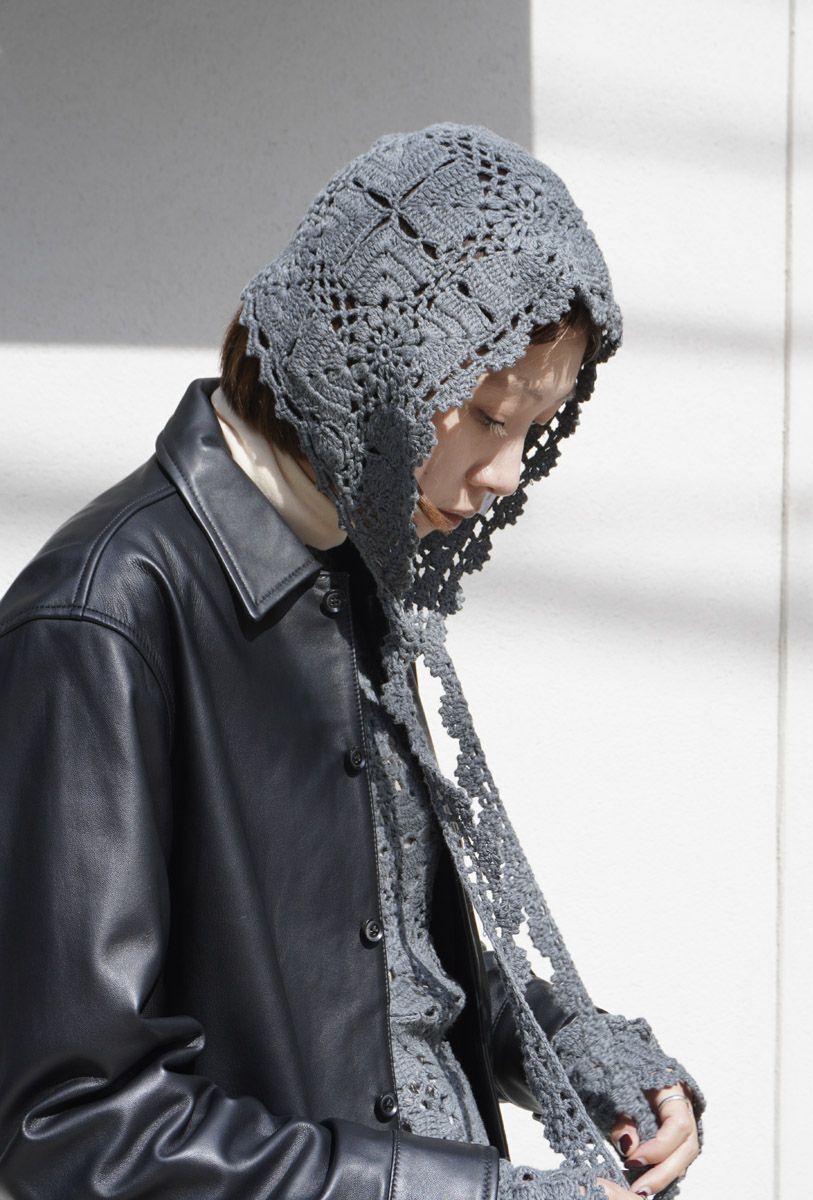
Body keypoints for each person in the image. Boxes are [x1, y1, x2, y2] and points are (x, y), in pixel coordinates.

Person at [0, 123, 704, 1200]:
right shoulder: (102, 620)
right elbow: (77, 1126)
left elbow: (386, 962)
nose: (507, 473)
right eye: (488, 416)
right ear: (371, 362)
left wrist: (574, 1052)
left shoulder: (350, 564)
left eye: (537, 427)